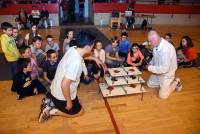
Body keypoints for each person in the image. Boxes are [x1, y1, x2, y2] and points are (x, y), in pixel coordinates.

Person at [38, 31, 96, 123]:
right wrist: (69, 102)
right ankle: (52, 111)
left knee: (78, 102)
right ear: (88, 47)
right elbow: (64, 84)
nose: (93, 47)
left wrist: (94, 58)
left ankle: (50, 102)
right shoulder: (76, 63)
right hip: (61, 95)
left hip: (54, 88)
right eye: (93, 45)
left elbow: (81, 58)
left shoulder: (73, 49)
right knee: (81, 112)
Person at [146, 30, 182, 99]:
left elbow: (165, 69)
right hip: (158, 72)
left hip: (167, 74)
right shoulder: (156, 44)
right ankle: (164, 84)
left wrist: (149, 68)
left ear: (156, 39)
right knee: (149, 84)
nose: (149, 43)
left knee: (163, 96)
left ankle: (176, 82)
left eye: (150, 41)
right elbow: (154, 57)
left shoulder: (166, 49)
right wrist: (150, 63)